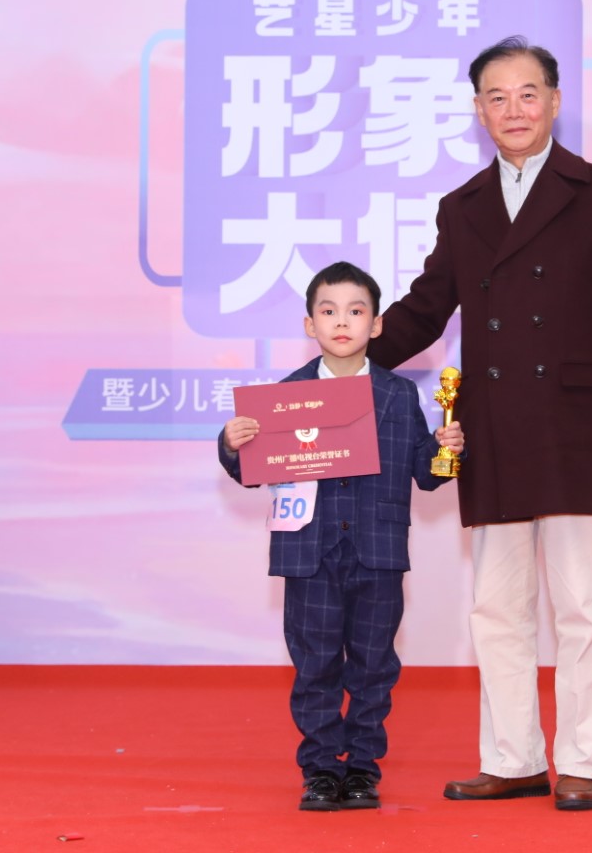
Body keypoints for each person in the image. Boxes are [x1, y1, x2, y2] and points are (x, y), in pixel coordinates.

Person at [366, 37, 592, 811]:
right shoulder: (463, 206)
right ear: (478, 111)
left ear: (555, 102)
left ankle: (583, 762)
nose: (514, 110)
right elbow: (425, 311)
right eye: (496, 98)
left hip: (576, 424)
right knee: (496, 606)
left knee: (584, 605)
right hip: (493, 426)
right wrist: (352, 349)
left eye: (528, 94)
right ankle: (512, 758)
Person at [218, 261, 464, 812]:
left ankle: (363, 770)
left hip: (378, 552)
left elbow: (425, 474)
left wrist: (448, 450)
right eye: (328, 311)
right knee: (316, 666)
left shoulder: (399, 394)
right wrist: (232, 444)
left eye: (356, 311)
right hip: (309, 552)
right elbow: (252, 471)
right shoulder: (282, 397)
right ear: (311, 324)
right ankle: (322, 770)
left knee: (375, 666)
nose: (342, 321)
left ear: (376, 324)